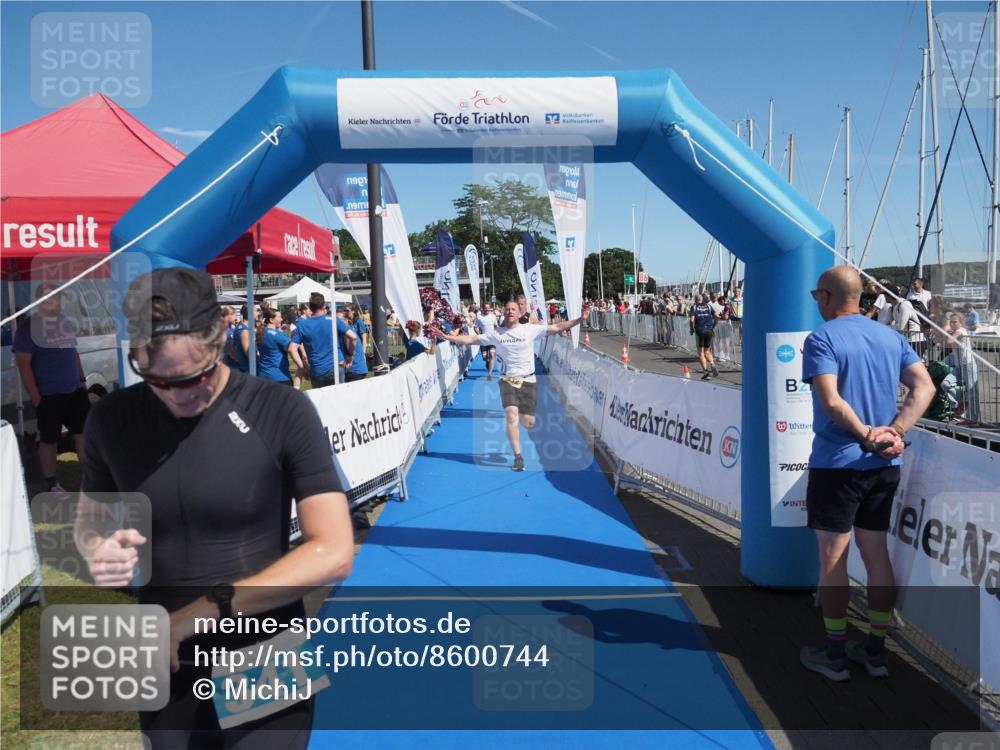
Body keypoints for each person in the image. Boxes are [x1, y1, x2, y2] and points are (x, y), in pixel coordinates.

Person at [74, 267, 353, 747]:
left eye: (196, 377)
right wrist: (97, 548)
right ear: (134, 357)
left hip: (264, 649)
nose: (180, 395)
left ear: (221, 336)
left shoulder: (281, 410)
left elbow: (333, 550)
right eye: (158, 380)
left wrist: (192, 618)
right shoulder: (111, 419)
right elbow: (90, 522)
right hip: (163, 655)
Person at [799, 265, 934, 682]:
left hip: (840, 464)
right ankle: (875, 651)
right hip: (884, 465)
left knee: (833, 558)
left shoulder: (821, 338)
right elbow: (924, 387)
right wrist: (893, 432)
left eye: (815, 296)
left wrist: (867, 436)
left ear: (825, 296)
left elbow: (832, 401)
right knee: (876, 554)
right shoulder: (890, 336)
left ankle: (835, 652)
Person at [434, 299, 591, 472]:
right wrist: (446, 337)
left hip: (528, 380)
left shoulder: (529, 330)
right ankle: (518, 457)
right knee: (511, 416)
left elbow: (556, 328)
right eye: (507, 309)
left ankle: (524, 432)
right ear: (504, 312)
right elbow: (471, 339)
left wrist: (580, 320)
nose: (510, 312)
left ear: (519, 313)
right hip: (508, 380)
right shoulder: (497, 334)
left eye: (513, 309)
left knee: (529, 422)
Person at [13, 283, 90, 494]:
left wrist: (82, 382)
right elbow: (23, 364)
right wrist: (37, 399)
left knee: (83, 433)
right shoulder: (28, 328)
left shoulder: (64, 322)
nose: (55, 301)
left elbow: (73, 354)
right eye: (49, 297)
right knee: (49, 440)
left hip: (75, 391)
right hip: (49, 394)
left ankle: (89, 478)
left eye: (57, 297)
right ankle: (51, 484)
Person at [289, 293, 357, 387]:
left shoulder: (303, 325)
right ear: (324, 306)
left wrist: (302, 367)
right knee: (339, 399)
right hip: (335, 367)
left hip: (317, 370)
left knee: (320, 400)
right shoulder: (333, 320)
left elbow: (292, 349)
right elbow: (353, 337)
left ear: (310, 307)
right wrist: (351, 354)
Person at [257, 308, 293, 385]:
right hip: (280, 377)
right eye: (279, 317)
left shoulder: (260, 333)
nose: (281, 319)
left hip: (263, 376)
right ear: (271, 320)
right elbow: (292, 348)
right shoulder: (277, 335)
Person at [689, 294, 720, 379]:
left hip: (700, 330)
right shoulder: (708, 306)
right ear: (702, 299)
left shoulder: (694, 307)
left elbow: (692, 320)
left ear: (695, 300)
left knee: (701, 352)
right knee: (707, 351)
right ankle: (712, 364)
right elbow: (717, 316)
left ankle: (706, 372)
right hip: (709, 330)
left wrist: (691, 328)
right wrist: (713, 326)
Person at [343, 305, 369, 383]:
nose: (345, 312)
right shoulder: (348, 322)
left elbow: (364, 340)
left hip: (358, 350)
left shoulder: (359, 322)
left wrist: (363, 354)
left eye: (347, 310)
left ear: (353, 311)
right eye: (344, 310)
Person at [475, 302, 499, 380]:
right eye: (485, 308)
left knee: (492, 355)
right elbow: (475, 327)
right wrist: (479, 334)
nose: (487, 310)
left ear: (490, 308)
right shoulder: (479, 317)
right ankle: (487, 361)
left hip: (492, 339)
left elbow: (496, 326)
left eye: (488, 308)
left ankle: (489, 374)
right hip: (483, 340)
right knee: (484, 358)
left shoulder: (493, 316)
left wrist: (497, 332)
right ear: (482, 309)